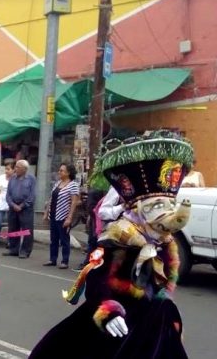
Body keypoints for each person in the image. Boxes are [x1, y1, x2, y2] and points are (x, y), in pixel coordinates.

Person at [29, 131, 193, 359]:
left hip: (153, 319)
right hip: (118, 317)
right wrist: (108, 310)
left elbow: (161, 282)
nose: (166, 216)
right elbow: (96, 278)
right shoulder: (119, 241)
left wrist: (163, 303)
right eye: (156, 207)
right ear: (137, 211)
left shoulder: (164, 243)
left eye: (169, 206)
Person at [43, 163, 80, 269]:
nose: (59, 172)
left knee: (64, 239)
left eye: (62, 170)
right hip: (53, 214)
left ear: (68, 173)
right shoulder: (58, 183)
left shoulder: (73, 185)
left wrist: (69, 218)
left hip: (63, 216)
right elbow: (51, 198)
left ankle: (65, 260)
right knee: (53, 239)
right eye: (59, 170)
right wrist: (46, 212)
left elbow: (74, 202)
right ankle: (52, 259)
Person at [3, 159, 36, 258]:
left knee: (26, 230)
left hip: (25, 208)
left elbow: (32, 195)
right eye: (16, 167)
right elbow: (8, 194)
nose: (15, 169)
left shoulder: (31, 179)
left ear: (24, 169)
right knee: (13, 228)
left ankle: (25, 251)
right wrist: (13, 205)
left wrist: (22, 206)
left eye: (18, 167)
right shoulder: (12, 178)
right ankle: (13, 249)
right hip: (13, 207)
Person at [0, 159, 14, 247]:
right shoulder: (1, 177)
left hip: (10, 202)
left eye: (8, 169)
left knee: (11, 224)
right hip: (0, 201)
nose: (6, 171)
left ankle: (10, 241)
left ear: (13, 170)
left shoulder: (15, 179)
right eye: (6, 169)